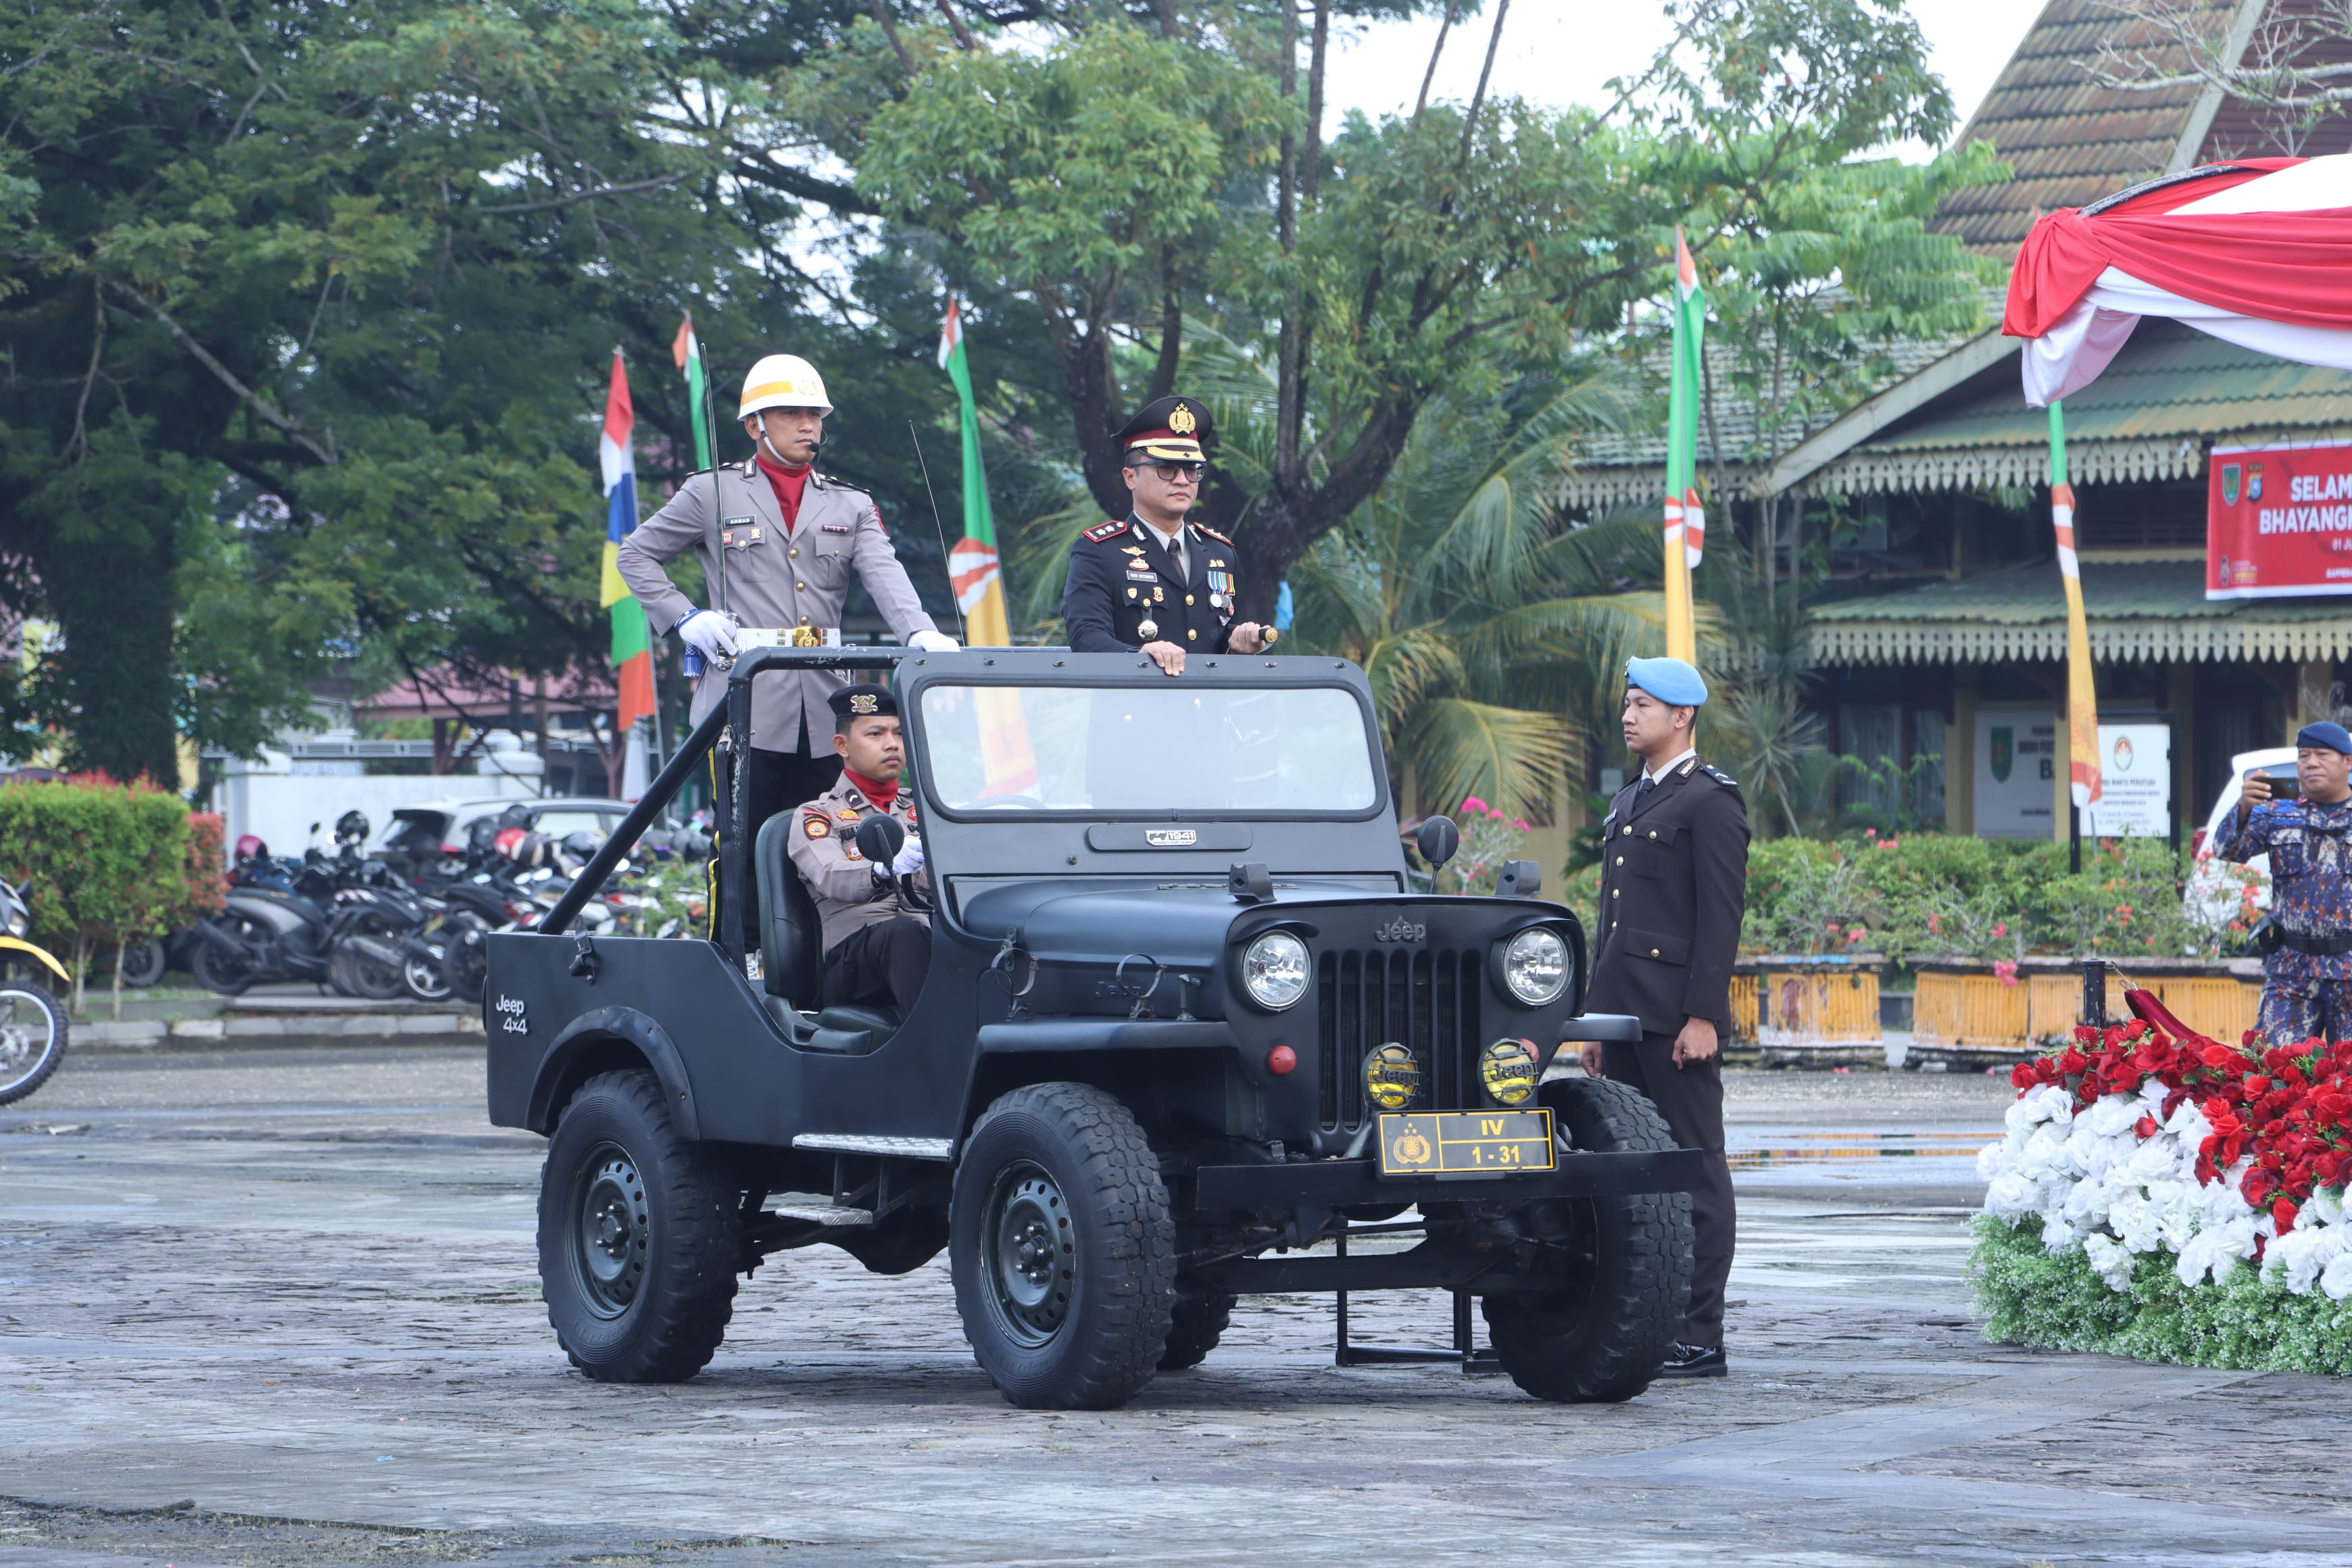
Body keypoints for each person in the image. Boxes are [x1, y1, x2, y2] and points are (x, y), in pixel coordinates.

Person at [617, 352, 959, 837]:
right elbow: (635, 556)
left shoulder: (850, 502)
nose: (807, 426)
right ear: (755, 424)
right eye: (790, 414)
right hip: (746, 702)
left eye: (814, 415)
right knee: (744, 855)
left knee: (832, 845)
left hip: (827, 706)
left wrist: (920, 631)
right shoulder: (711, 493)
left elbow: (886, 574)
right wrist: (684, 617)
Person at [1578, 654, 1748, 1381]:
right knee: (1628, 1172)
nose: (1628, 715)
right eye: (1627, 703)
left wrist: (1704, 1015)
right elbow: (1610, 924)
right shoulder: (1627, 802)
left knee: (1694, 1167)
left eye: (1643, 704)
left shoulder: (1711, 803)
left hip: (1676, 1022)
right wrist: (1592, 1016)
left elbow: (1721, 919)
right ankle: (1636, 1317)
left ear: (1682, 716)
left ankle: (1699, 1332)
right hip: (1622, 1017)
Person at [1062, 395, 1272, 676]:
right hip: (1135, 712)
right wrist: (1138, 656)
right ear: (1130, 477)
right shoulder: (1099, 552)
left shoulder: (1220, 554)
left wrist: (1238, 642)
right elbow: (1086, 637)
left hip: (1207, 714)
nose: (1182, 480)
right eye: (1166, 468)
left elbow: (1214, 638)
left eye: (1191, 469)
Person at [788, 685, 931, 1015]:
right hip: (854, 959)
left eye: (898, 732)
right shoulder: (817, 814)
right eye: (876, 734)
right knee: (903, 934)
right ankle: (945, 1058)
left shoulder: (924, 808)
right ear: (843, 745)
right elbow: (831, 876)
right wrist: (883, 869)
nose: (892, 743)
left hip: (930, 936)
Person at [2215, 721, 2352, 1048]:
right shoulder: (2275, 814)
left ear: (2348, 761)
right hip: (2291, 973)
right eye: (2304, 755)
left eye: (2323, 754)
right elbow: (2226, 851)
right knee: (2275, 1075)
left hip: (2349, 971)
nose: (2312, 762)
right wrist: (2244, 808)